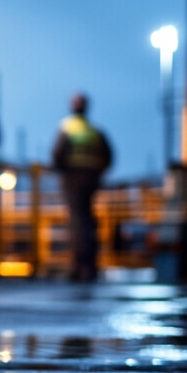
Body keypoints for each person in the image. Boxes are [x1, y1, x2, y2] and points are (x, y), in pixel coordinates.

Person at [52, 93, 112, 282]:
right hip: (91, 179)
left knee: (78, 223)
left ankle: (80, 267)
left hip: (73, 179)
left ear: (72, 106)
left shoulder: (67, 128)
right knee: (88, 221)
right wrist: (97, 172)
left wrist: (62, 171)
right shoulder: (94, 130)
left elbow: (57, 155)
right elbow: (108, 155)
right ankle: (91, 267)